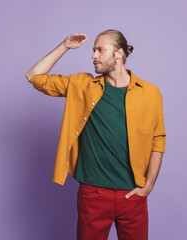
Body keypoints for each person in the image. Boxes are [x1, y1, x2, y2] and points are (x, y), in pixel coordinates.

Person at [25, 29, 166, 240]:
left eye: (100, 50)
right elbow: (34, 76)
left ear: (118, 54)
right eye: (93, 50)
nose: (93, 55)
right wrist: (64, 46)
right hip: (93, 194)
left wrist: (149, 185)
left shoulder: (150, 92)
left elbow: (158, 139)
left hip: (133, 195)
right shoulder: (82, 85)